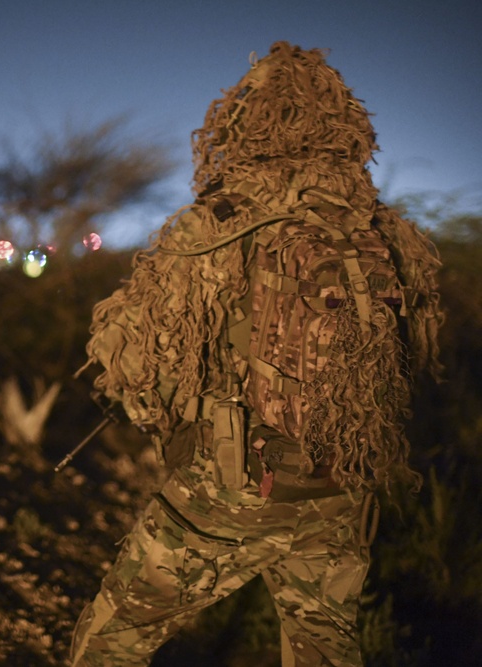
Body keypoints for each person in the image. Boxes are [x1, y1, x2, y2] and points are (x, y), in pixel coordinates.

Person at [69, 42, 443, 666]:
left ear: (242, 122)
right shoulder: (385, 228)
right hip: (343, 487)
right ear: (344, 122)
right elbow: (416, 357)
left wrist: (166, 420)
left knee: (112, 637)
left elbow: (135, 360)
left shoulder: (216, 222)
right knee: (324, 646)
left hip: (234, 488)